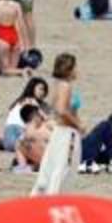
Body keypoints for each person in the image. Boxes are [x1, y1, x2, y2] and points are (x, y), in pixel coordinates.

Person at [31, 53, 84, 196]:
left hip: (59, 132)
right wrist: (78, 125)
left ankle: (46, 196)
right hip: (67, 132)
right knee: (63, 168)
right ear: (69, 69)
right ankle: (54, 198)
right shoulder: (65, 86)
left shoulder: (58, 85)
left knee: (52, 165)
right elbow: (62, 110)